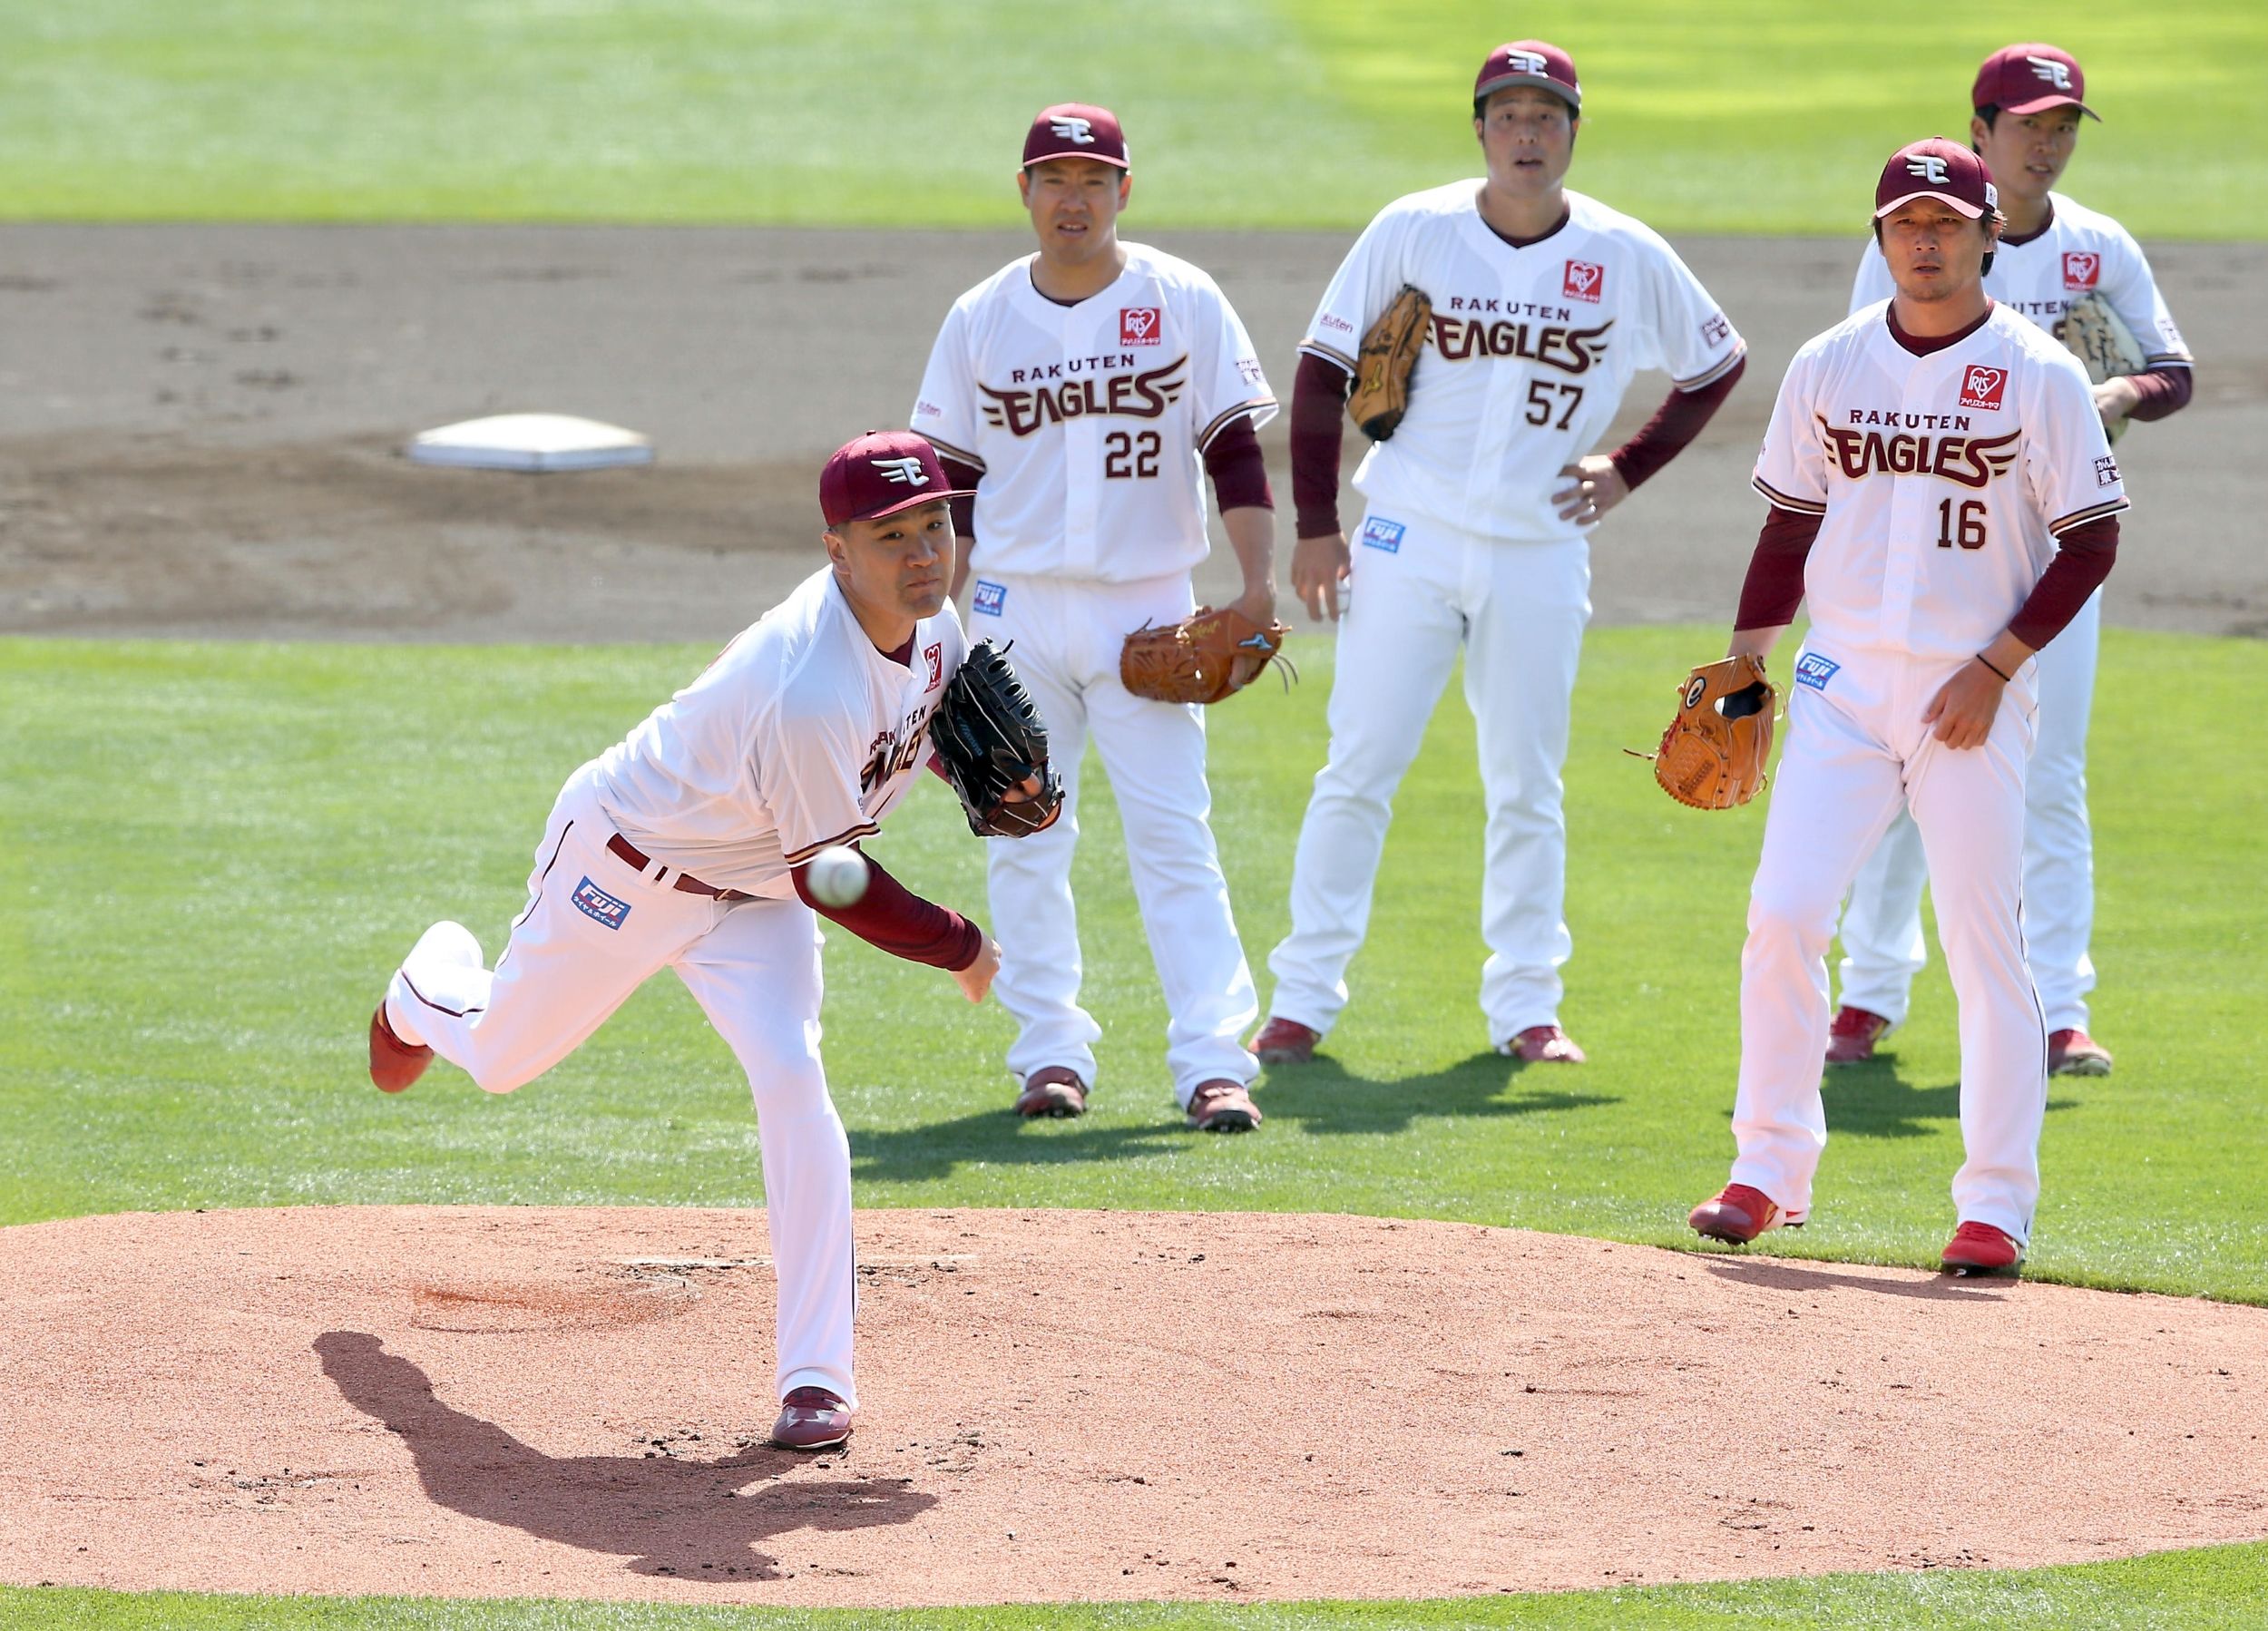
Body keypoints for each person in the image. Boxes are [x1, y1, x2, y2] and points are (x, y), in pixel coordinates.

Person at [366, 430, 1028, 1450]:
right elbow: (834, 879)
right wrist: (959, 944)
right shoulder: (804, 678)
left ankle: (817, 1377)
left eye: (936, 524)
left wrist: (976, 773)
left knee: (793, 1075)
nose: (924, 553)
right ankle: (427, 988)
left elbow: (911, 725)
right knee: (499, 1058)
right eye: (891, 534)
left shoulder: (933, 628)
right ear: (836, 550)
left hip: (754, 889)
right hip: (627, 871)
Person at [1249, 41, 1746, 1069]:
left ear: (1573, 130)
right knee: (1359, 765)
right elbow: (1320, 366)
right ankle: (1301, 999)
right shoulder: (1415, 228)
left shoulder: (1623, 253)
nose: (1528, 134)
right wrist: (1313, 524)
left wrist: (1629, 468)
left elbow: (1718, 359)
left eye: (1547, 116)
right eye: (1509, 116)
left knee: (1526, 780)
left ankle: (1526, 1004)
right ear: (1479, 129)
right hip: (1406, 535)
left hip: (1539, 549)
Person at [1689, 139, 2128, 1274]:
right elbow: (1789, 523)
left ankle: (1995, 1201)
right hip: (1841, 684)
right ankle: (1765, 1168)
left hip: (1967, 693)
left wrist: (1995, 666)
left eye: (1945, 224)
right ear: (1879, 238)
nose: (1923, 242)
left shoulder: (2039, 374)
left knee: (1984, 944)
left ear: (1988, 236)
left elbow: (2092, 540)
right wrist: (1746, 660)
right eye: (1902, 224)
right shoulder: (1829, 363)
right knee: (1783, 914)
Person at [910, 103, 1279, 1132]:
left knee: (1174, 837)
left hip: (1147, 604)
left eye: (1093, 179)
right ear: (1023, 192)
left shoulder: (1183, 299)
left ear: (1126, 192)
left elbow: (1234, 451)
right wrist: (951, 626)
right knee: (1024, 833)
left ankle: (1212, 1061)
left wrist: (1255, 585)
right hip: (1013, 609)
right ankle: (1049, 1054)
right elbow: (951, 484)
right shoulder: (980, 315)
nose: (1073, 199)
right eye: (1053, 179)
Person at [1825, 44, 2193, 1078]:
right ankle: (1867, 995)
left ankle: (2060, 1005)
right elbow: (1860, 368)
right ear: (1980, 129)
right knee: (1908, 767)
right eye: (2030, 125)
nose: (2049, 144)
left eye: (2065, 125)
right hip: (1930, 553)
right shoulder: (1919, 239)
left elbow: (2173, 369)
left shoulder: (2097, 246)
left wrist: (2107, 397)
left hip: (2055, 556)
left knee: (2050, 778)